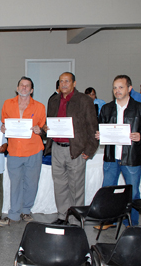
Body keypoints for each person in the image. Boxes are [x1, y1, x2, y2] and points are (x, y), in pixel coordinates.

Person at [95, 75, 141, 227]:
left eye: (121, 87)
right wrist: (99, 134)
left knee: (132, 194)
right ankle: (108, 220)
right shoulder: (107, 109)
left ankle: (131, 223)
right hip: (111, 158)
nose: (117, 91)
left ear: (129, 89)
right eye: (115, 87)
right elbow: (100, 127)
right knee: (107, 192)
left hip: (131, 158)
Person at [44, 72, 98, 225]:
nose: (64, 84)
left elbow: (93, 127)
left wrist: (89, 150)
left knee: (76, 187)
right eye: (61, 81)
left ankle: (75, 219)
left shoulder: (84, 100)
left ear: (74, 83)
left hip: (76, 149)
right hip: (57, 148)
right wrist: (46, 128)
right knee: (59, 185)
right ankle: (62, 216)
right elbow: (50, 123)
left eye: (67, 81)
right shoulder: (53, 100)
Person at [0, 77, 46, 226]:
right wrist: (3, 128)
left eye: (27, 86)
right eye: (21, 85)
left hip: (33, 150)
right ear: (17, 88)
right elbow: (4, 123)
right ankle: (14, 214)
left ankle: (26, 210)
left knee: (31, 183)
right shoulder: (7, 104)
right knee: (16, 183)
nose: (24, 88)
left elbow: (44, 128)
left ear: (31, 90)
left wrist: (40, 130)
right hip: (14, 150)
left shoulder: (39, 107)